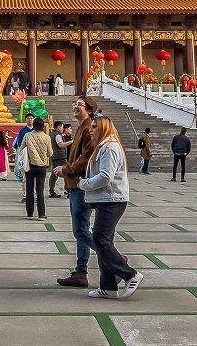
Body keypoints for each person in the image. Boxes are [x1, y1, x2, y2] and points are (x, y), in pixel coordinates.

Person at [78, 115, 143, 300]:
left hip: (112, 199)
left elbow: (106, 176)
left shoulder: (109, 147)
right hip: (106, 199)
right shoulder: (103, 146)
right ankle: (108, 287)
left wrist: (84, 184)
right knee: (103, 241)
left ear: (103, 127)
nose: (90, 130)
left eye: (94, 126)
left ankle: (129, 274)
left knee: (100, 240)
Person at [54, 97, 98, 287]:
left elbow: (86, 159)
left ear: (89, 110)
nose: (75, 106)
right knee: (82, 230)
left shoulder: (89, 129)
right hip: (75, 185)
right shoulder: (81, 127)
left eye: (79, 104)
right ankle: (81, 272)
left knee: (80, 230)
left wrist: (66, 170)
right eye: (74, 103)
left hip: (81, 184)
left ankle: (116, 259)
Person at [23, 118, 53, 220]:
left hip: (30, 166)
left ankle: (30, 213)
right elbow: (50, 153)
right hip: (42, 167)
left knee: (29, 189)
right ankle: (41, 214)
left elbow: (22, 148)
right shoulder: (47, 137)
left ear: (34, 125)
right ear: (42, 126)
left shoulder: (27, 136)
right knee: (40, 190)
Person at [48, 121, 67, 198]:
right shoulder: (57, 135)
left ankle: (51, 191)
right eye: (62, 127)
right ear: (59, 127)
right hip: (60, 157)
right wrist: (71, 142)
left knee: (54, 174)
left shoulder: (52, 134)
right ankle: (68, 190)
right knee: (67, 172)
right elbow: (61, 145)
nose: (63, 129)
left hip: (54, 156)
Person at [14, 114, 35, 183]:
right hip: (25, 150)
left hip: (34, 150)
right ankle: (22, 176)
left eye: (31, 118)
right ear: (25, 120)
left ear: (34, 119)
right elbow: (20, 141)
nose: (30, 120)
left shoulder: (35, 130)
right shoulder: (22, 130)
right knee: (24, 164)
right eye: (28, 118)